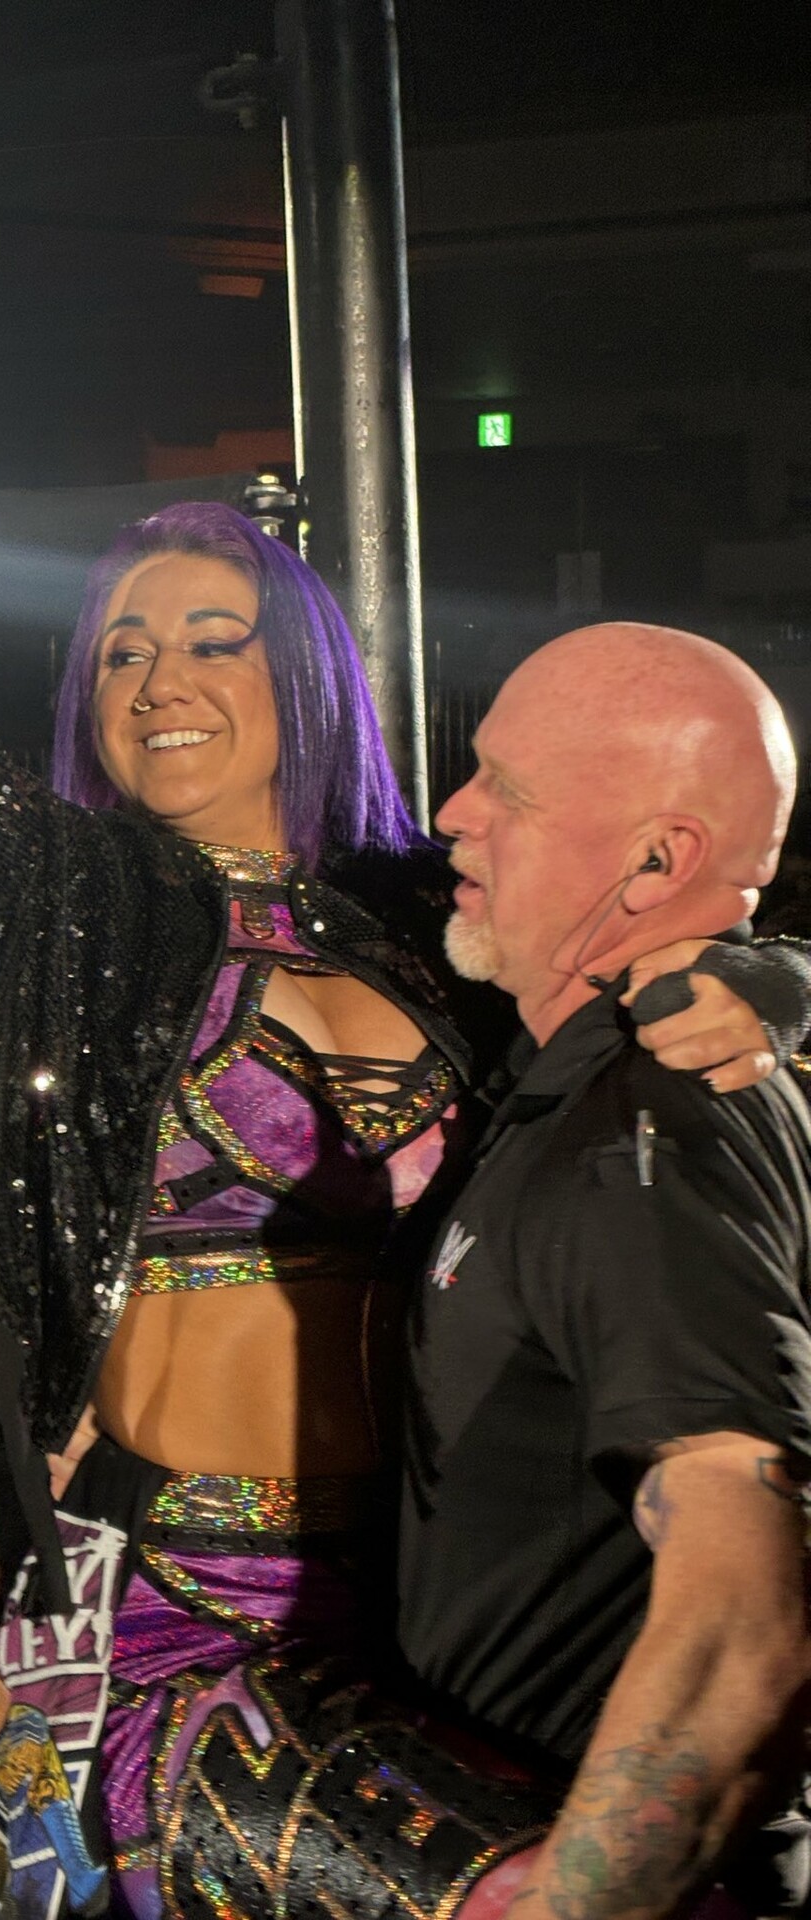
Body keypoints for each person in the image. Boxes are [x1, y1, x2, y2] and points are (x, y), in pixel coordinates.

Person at [0, 12, 810, 1913]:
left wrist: (778, 978)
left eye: (213, 639)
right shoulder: (59, 906)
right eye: (125, 649)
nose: (160, 679)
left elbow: (664, 906)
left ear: (298, 671)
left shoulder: (431, 922)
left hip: (397, 1621)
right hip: (152, 1627)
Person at [400, 624, 811, 1918]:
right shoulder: (597, 1085)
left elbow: (743, 1633)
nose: (452, 813)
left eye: (507, 790)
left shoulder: (648, 1130)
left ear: (658, 862)